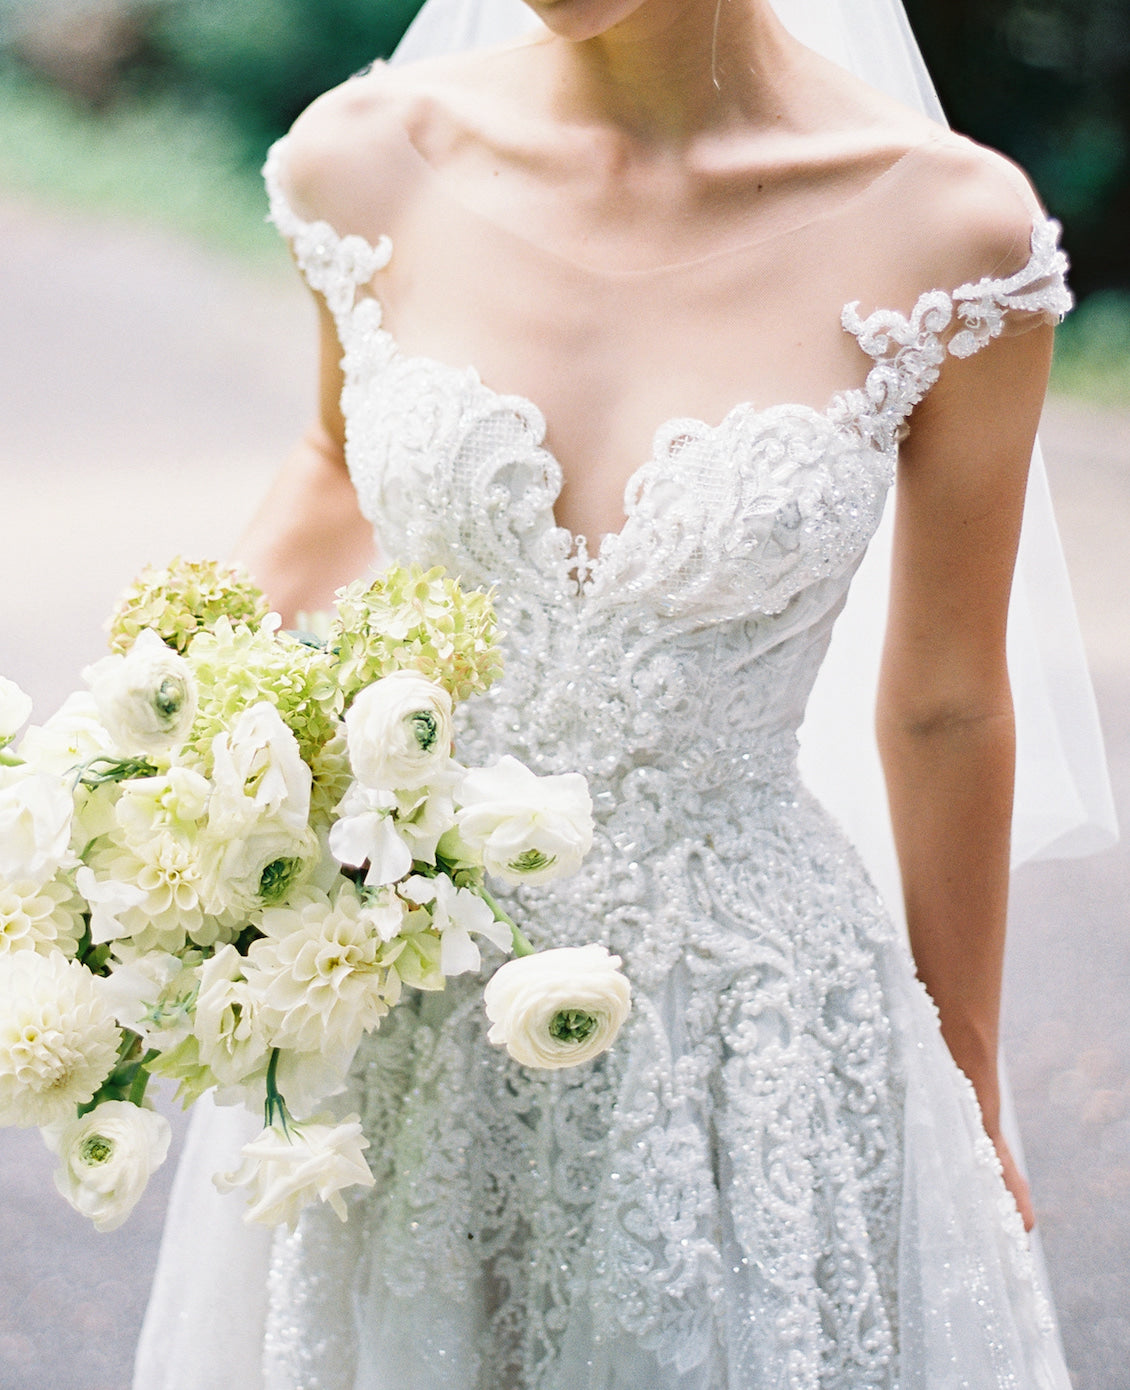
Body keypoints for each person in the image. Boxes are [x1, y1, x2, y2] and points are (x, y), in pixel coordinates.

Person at [134, 0, 1111, 1385]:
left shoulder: (951, 235)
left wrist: (965, 1080)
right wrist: (149, 745)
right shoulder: (363, 159)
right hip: (412, 987)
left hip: (744, 1036)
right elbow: (336, 462)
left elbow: (944, 700)